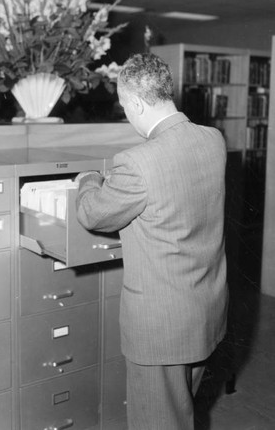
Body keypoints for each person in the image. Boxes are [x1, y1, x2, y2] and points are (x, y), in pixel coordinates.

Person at [75, 52, 228, 430]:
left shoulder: (138, 161)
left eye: (126, 106)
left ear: (139, 103)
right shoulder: (214, 140)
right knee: (182, 412)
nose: (127, 114)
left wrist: (88, 180)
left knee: (158, 422)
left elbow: (93, 213)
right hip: (204, 312)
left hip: (161, 329)